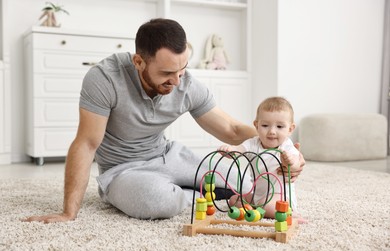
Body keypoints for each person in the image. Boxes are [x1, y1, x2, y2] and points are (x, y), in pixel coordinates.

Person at [24, 19, 305, 223]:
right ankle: (198, 193)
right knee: (161, 201)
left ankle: (204, 190)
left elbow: (232, 130)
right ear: (138, 62)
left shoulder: (184, 83)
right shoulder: (104, 79)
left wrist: (284, 147)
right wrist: (68, 212)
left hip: (168, 156)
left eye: (182, 69)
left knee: (240, 179)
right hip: (123, 171)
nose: (177, 80)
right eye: (167, 73)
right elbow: (86, 144)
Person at [218, 97, 305, 221]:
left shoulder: (287, 147)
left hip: (279, 197)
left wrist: (289, 162)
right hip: (258, 195)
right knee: (234, 199)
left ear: (290, 129)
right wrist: (230, 151)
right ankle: (255, 208)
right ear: (256, 125)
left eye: (280, 126)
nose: (272, 131)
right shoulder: (253, 143)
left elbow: (296, 165)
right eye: (265, 125)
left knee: (268, 206)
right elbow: (239, 150)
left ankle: (287, 214)